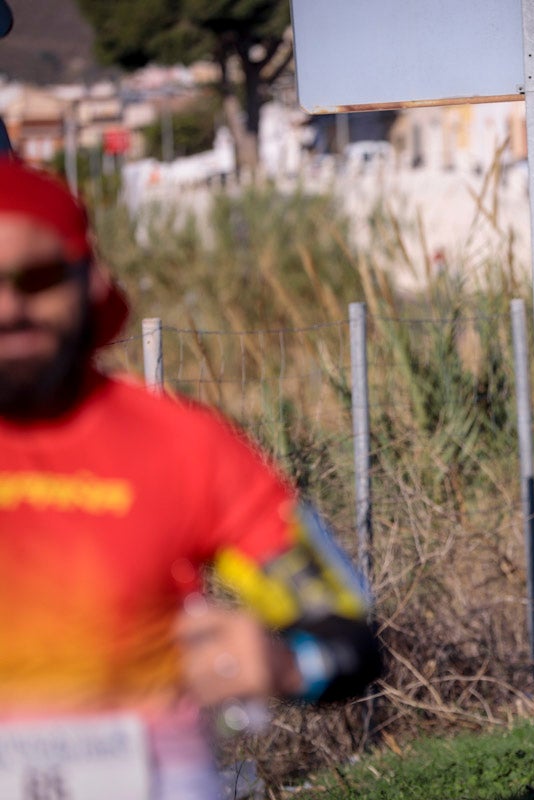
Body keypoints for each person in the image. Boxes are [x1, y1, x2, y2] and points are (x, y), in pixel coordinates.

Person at [0, 156, 383, 799]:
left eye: (36, 279)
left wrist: (292, 664)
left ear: (90, 281)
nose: (9, 309)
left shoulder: (183, 445)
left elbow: (348, 637)